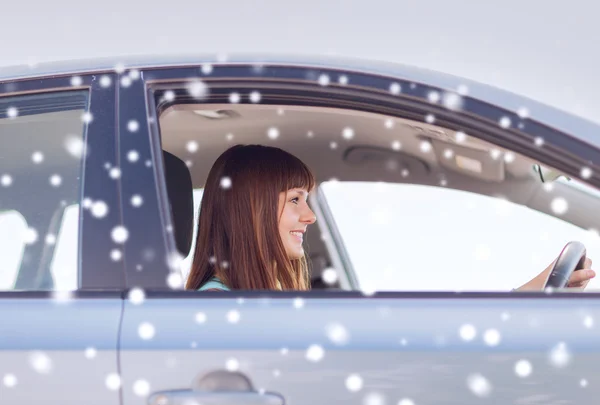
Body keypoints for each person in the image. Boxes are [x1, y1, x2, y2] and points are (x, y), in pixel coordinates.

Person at [185, 144, 595, 292]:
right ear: (252, 210)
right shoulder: (220, 310)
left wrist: (532, 291)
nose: (309, 216)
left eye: (308, 200)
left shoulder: (247, 302)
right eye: (295, 199)